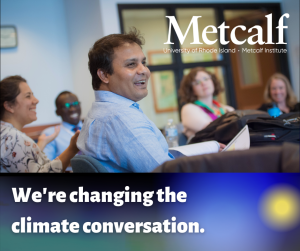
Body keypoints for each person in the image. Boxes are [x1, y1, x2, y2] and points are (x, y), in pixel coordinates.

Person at [77, 29, 177, 173]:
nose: (144, 71)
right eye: (131, 64)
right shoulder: (121, 118)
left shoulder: (99, 112)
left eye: (143, 62)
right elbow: (169, 175)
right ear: (104, 75)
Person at [0, 76, 80, 173]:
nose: (36, 100)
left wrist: (41, 144)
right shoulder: (14, 137)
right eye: (28, 96)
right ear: (9, 106)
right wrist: (72, 149)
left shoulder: (6, 134)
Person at [179, 67, 234, 139]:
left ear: (213, 81)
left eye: (206, 79)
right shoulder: (188, 109)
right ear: (191, 90)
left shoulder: (228, 109)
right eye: (197, 82)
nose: (203, 83)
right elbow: (210, 130)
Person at [41, 91, 82, 160]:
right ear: (57, 112)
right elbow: (47, 164)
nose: (73, 109)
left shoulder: (92, 128)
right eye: (66, 106)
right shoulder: (50, 134)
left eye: (75, 104)